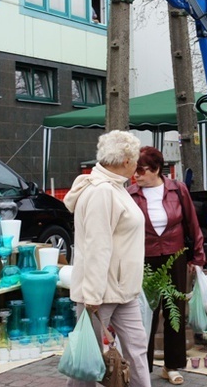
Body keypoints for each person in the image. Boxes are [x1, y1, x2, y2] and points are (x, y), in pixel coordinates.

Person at [63, 130, 151, 387]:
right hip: (100, 292)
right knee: (85, 365)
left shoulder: (116, 188)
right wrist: (91, 295)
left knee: (137, 350)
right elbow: (96, 247)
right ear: (126, 161)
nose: (137, 166)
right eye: (135, 160)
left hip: (123, 289)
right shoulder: (102, 192)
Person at [127, 146, 206, 386]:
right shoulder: (129, 194)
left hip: (176, 255)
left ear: (156, 169)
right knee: (143, 314)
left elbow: (192, 224)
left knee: (175, 312)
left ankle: (172, 366)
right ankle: (142, 368)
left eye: (141, 170)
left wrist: (197, 257)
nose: (136, 175)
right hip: (143, 258)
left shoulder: (177, 189)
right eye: (134, 170)